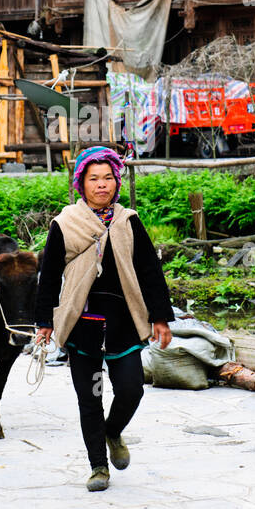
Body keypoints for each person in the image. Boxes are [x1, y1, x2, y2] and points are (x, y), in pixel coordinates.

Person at [35, 145, 174, 491]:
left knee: (131, 389)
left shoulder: (128, 222)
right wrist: (44, 322)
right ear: (82, 183)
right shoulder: (66, 224)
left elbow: (149, 271)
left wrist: (160, 317)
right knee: (90, 398)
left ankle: (113, 430)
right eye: (94, 178)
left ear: (117, 182)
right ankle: (98, 465)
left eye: (108, 178)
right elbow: (49, 274)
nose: (102, 185)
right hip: (83, 328)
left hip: (123, 325)